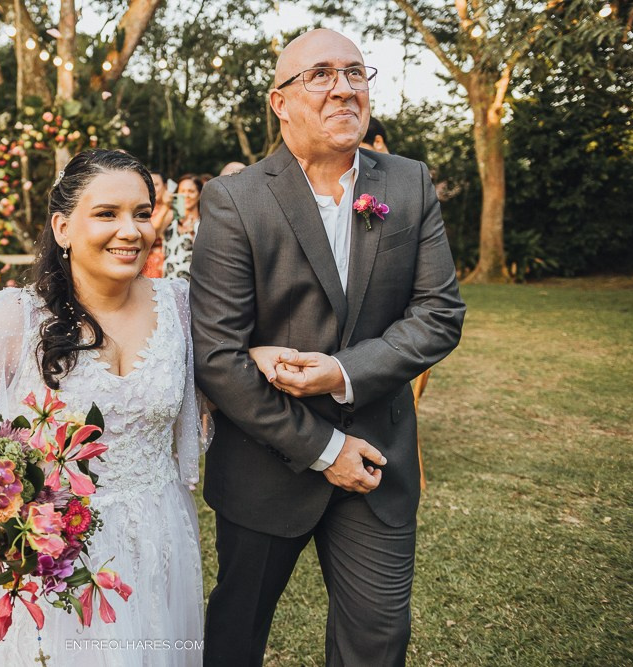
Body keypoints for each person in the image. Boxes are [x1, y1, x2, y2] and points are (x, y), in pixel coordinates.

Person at [191, 29, 466, 666]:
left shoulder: (409, 182)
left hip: (379, 459)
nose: (343, 87)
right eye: (319, 75)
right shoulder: (234, 200)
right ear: (279, 102)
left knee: (377, 642)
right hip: (268, 462)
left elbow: (439, 313)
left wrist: (342, 372)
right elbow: (219, 356)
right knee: (236, 636)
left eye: (355, 73)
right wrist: (324, 448)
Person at [0, 149, 205, 666]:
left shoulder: (180, 306)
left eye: (142, 213)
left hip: (157, 536)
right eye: (108, 213)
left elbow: (234, 374)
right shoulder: (12, 322)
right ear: (63, 227)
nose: (132, 230)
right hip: (48, 558)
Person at [162, 174, 203, 280]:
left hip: (194, 283)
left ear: (199, 194)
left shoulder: (204, 221)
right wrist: (165, 206)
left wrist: (193, 233)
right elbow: (153, 231)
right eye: (182, 191)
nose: (186, 195)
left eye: (191, 191)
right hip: (169, 282)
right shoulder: (170, 218)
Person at [140, 171, 172, 278]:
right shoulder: (142, 208)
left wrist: (166, 206)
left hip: (163, 260)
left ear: (165, 186)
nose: (153, 189)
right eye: (150, 185)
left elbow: (153, 230)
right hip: (143, 259)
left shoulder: (171, 210)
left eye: (157, 185)